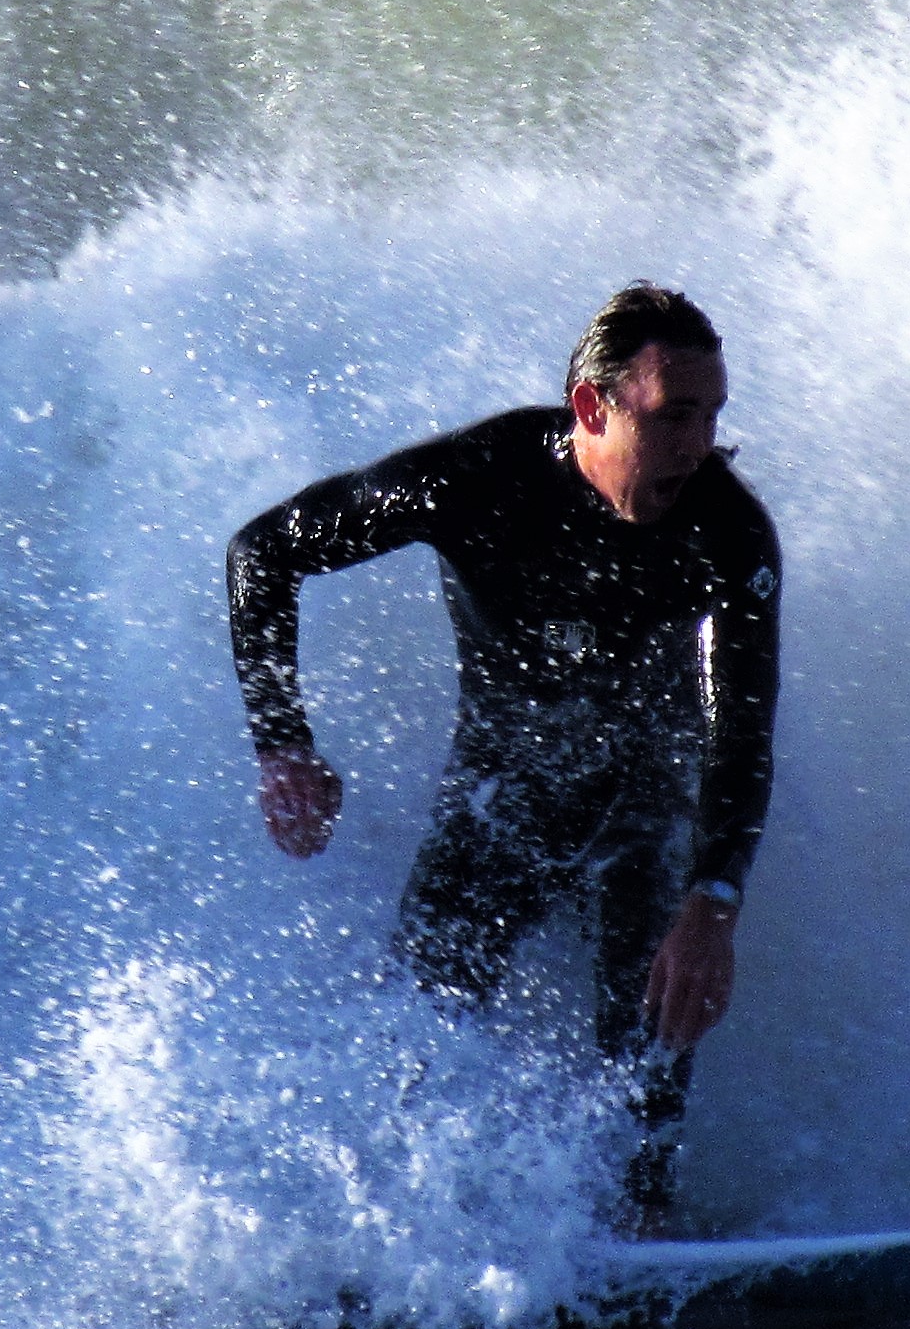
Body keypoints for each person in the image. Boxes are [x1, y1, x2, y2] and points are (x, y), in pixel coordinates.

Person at [225, 283, 779, 1229]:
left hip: (642, 795)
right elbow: (263, 552)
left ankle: (643, 1241)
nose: (700, 442)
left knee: (647, 1032)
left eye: (714, 414)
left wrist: (714, 901)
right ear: (592, 407)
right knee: (422, 1042)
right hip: (502, 791)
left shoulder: (726, 531)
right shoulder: (478, 479)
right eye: (674, 414)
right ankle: (404, 1253)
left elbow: (742, 732)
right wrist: (284, 744)